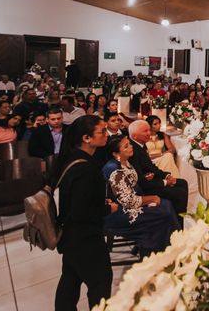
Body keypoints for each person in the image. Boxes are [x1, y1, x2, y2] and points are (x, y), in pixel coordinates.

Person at [54, 115, 117, 310]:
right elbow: (81, 211)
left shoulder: (73, 159)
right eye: (101, 132)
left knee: (70, 282)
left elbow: (79, 200)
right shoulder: (85, 169)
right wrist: (108, 207)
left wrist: (98, 201)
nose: (106, 135)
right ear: (86, 138)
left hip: (71, 236)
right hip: (85, 238)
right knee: (100, 283)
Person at [102, 136, 180, 257]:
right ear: (116, 153)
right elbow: (128, 201)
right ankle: (161, 252)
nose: (131, 147)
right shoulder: (114, 170)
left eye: (129, 144)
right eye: (126, 146)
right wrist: (152, 198)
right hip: (120, 211)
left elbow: (130, 183)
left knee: (166, 205)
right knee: (164, 211)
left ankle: (169, 249)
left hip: (131, 201)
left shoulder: (125, 161)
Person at [128, 120, 188, 224]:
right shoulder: (133, 150)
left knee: (182, 183)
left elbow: (151, 167)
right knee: (179, 193)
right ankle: (176, 224)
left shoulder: (141, 145)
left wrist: (167, 175)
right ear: (135, 136)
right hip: (144, 188)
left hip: (150, 180)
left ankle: (176, 219)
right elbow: (140, 181)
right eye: (145, 131)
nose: (149, 133)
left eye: (148, 130)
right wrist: (165, 182)